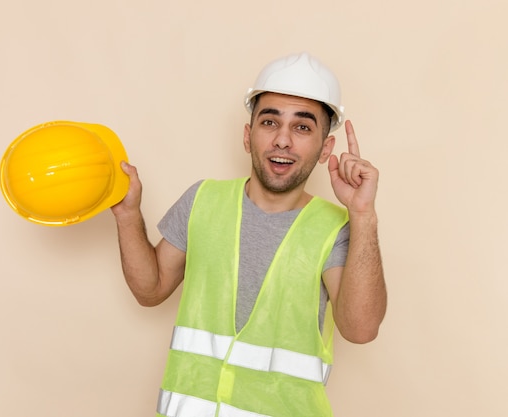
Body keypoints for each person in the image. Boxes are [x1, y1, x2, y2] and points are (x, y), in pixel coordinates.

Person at [110, 52, 387, 417]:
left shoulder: (336, 228)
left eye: (303, 127)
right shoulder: (203, 200)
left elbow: (360, 329)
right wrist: (128, 213)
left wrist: (363, 215)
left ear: (326, 149)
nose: (283, 140)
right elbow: (151, 289)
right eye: (270, 122)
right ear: (248, 135)